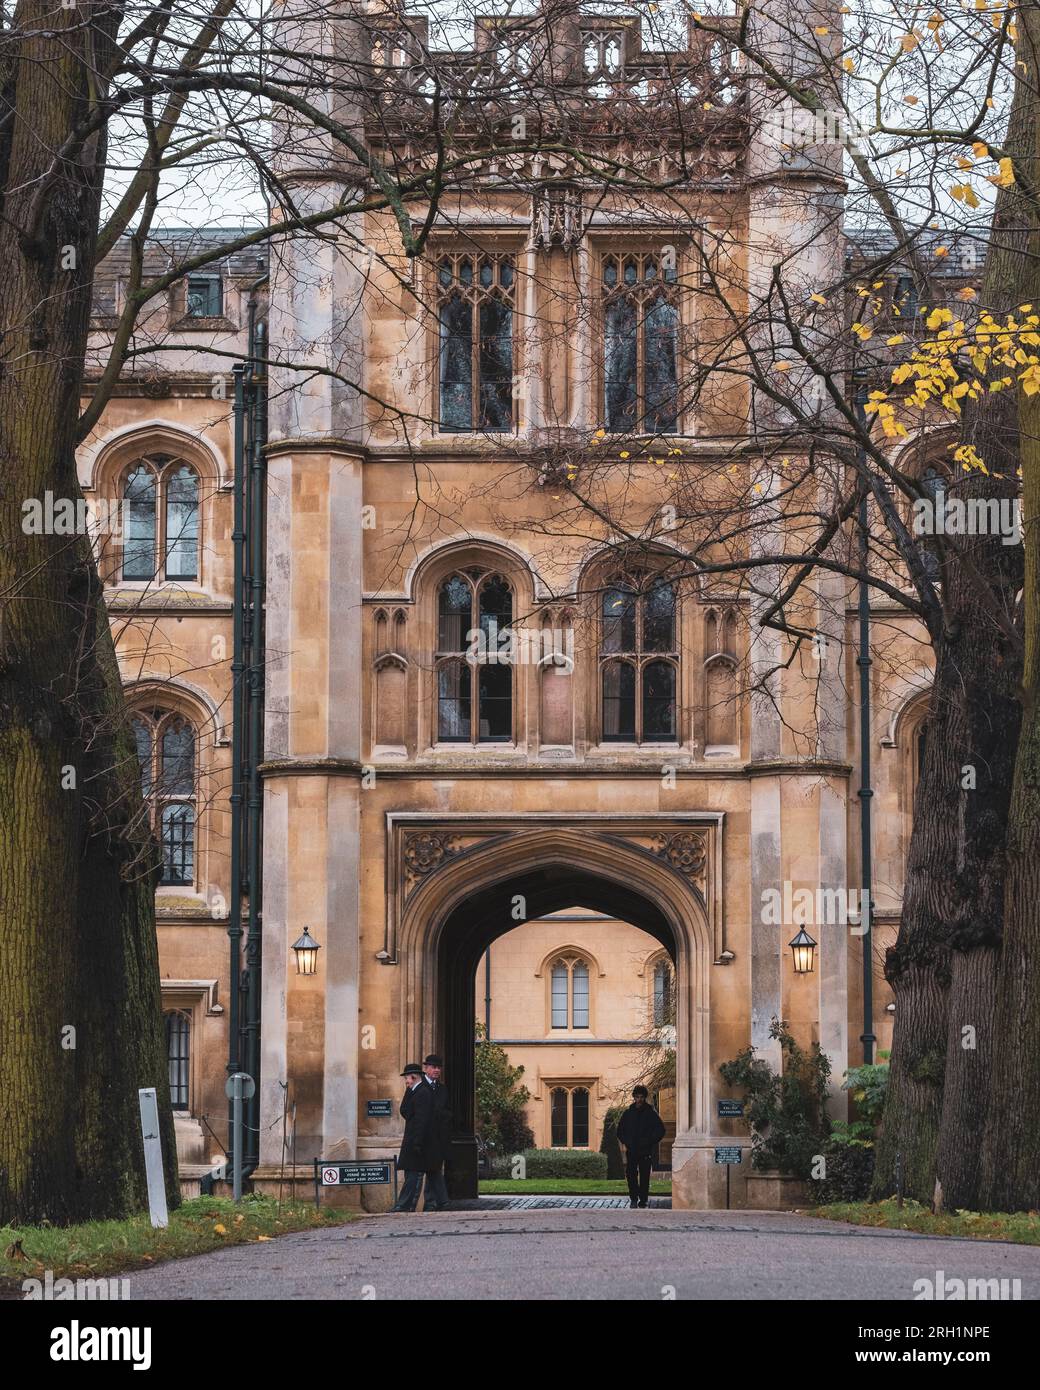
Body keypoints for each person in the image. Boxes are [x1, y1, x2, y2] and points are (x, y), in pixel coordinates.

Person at [616, 1085, 665, 1209]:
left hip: (645, 1151)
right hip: (632, 1150)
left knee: (644, 1177)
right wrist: (627, 1142)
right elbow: (620, 1131)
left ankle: (643, 1200)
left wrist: (649, 1141)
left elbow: (660, 1130)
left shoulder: (650, 1113)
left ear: (644, 1098)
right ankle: (633, 1198)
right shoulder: (628, 1114)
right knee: (631, 1176)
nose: (639, 1100)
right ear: (634, 1097)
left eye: (641, 1097)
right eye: (637, 1097)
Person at [390, 1063, 427, 1212]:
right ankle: (404, 1205)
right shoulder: (414, 1091)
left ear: (414, 1077)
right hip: (412, 1140)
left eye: (407, 1078)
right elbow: (404, 1111)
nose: (406, 1081)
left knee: (415, 1175)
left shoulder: (423, 1092)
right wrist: (408, 1090)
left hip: (417, 1141)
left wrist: (418, 1142)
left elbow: (421, 1120)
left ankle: (406, 1206)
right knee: (410, 1174)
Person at [420, 1053, 452, 1212]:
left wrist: (443, 1117)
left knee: (434, 1168)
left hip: (438, 1136)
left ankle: (432, 1201)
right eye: (434, 1067)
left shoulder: (442, 1088)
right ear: (426, 1068)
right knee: (431, 1169)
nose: (437, 1070)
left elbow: (446, 1110)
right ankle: (438, 1200)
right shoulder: (419, 1087)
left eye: (439, 1067)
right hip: (424, 1135)